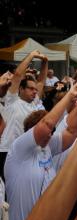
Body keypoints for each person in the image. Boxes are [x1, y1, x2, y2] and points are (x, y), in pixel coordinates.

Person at [5, 82, 77, 220]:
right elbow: (46, 125)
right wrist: (69, 96)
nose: (51, 133)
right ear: (31, 132)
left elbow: (71, 131)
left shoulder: (47, 146)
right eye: (49, 129)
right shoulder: (18, 149)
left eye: (53, 130)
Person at [0, 50, 48, 179]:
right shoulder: (12, 100)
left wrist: (45, 62)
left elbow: (42, 81)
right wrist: (32, 55)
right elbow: (18, 75)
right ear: (21, 89)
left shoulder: (34, 104)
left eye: (35, 90)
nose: (34, 92)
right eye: (30, 89)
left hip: (27, 151)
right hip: (7, 150)